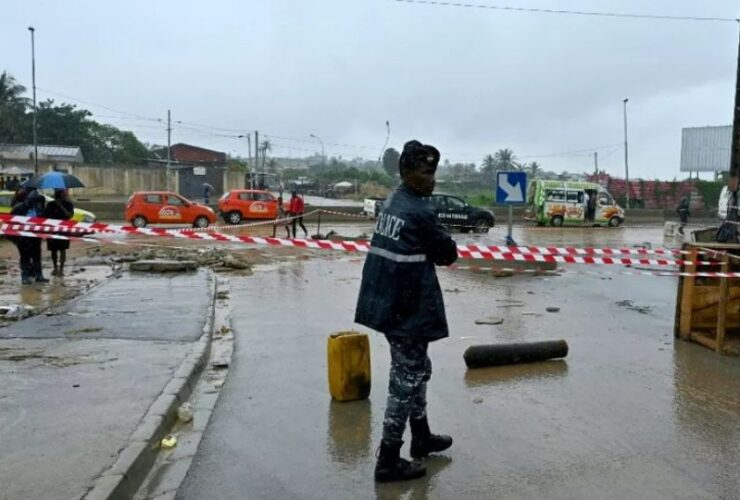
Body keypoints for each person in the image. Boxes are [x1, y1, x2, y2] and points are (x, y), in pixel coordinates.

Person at [355, 140, 457, 483]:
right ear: (407, 173)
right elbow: (447, 254)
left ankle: (422, 436)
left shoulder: (394, 200)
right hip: (406, 309)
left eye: (434, 172)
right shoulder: (418, 210)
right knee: (406, 379)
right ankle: (388, 459)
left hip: (390, 303)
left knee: (418, 370)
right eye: (426, 173)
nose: (432, 179)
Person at [10, 190, 48, 285]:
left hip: (35, 237)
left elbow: (43, 221)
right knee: (25, 257)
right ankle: (25, 277)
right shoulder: (18, 208)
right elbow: (10, 223)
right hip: (23, 238)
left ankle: (39, 275)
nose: (35, 203)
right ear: (28, 200)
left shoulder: (38, 208)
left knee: (37, 257)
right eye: (34, 201)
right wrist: (16, 239)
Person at [43, 189, 74, 276]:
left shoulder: (68, 204)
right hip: (52, 230)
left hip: (64, 230)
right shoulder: (50, 204)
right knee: (53, 250)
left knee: (63, 250)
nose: (66, 193)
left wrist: (61, 207)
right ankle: (55, 268)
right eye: (64, 191)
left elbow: (69, 216)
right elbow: (45, 216)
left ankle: (61, 269)